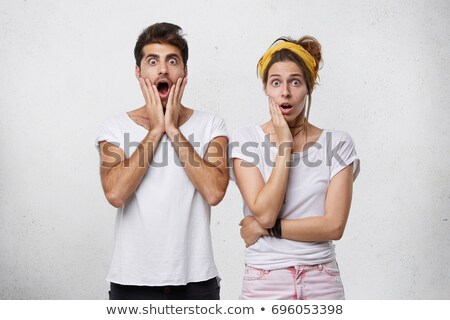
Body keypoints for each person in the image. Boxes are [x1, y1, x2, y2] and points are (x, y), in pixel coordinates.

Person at [95, 22, 229, 300]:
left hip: (197, 282)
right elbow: (116, 193)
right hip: (132, 282)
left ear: (185, 72)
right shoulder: (114, 128)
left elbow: (215, 192)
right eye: (152, 61)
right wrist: (156, 131)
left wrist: (174, 131)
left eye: (172, 60)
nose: (163, 69)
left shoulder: (212, 125)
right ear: (138, 72)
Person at [230, 35, 360, 300]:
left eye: (295, 82)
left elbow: (334, 226)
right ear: (266, 88)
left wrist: (266, 230)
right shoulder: (246, 140)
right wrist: (284, 146)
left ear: (309, 88)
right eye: (276, 82)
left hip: (321, 280)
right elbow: (265, 212)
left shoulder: (338, 143)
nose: (285, 92)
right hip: (264, 281)